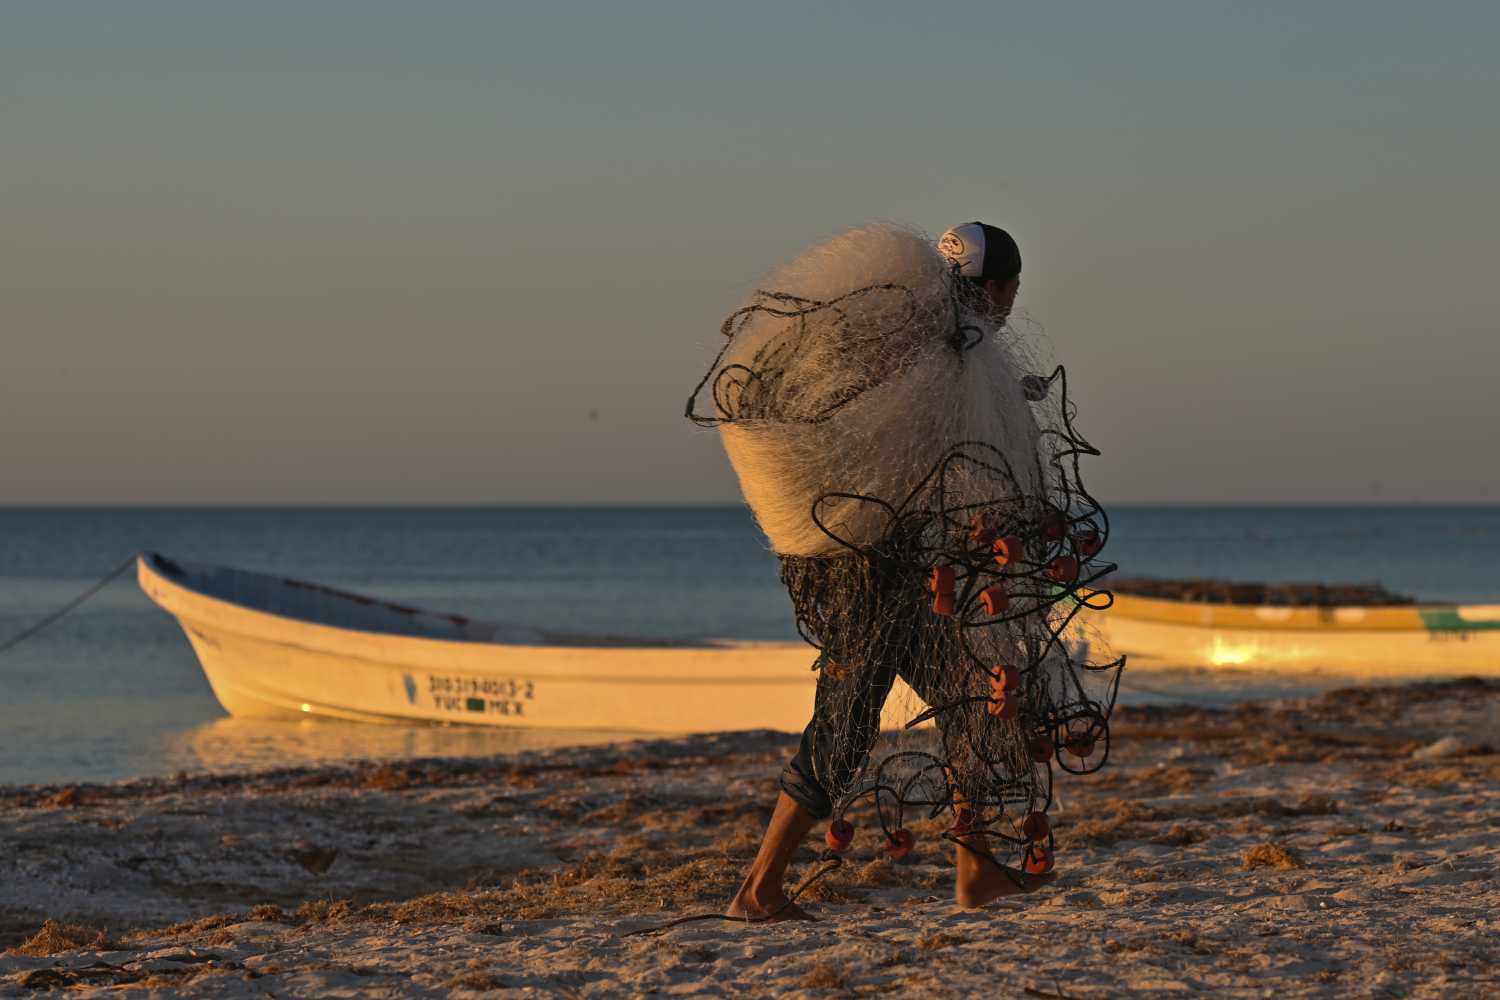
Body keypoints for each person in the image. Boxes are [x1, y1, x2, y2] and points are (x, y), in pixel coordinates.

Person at [724, 222, 1057, 922]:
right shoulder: (945, 350)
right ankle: (757, 891)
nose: (1010, 306)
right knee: (844, 725)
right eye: (1013, 290)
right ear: (995, 288)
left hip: (902, 568)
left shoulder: (914, 344)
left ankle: (976, 876)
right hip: (866, 573)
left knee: (972, 701)